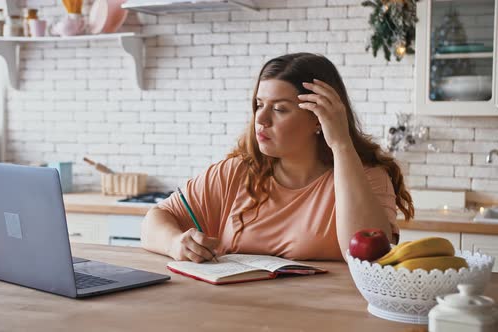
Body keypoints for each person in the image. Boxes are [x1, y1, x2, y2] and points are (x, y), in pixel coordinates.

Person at [141, 53, 414, 263]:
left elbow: (368, 258)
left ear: (319, 118)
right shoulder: (235, 173)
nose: (260, 118)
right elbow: (156, 218)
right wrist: (175, 243)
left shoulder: (366, 177)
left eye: (280, 109)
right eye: (259, 105)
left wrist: (341, 143)